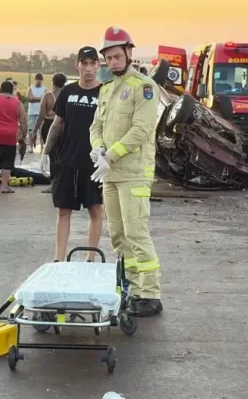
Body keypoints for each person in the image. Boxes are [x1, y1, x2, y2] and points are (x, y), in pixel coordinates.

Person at [89, 26, 162, 317]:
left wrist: (111, 155)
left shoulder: (144, 87)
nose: (113, 62)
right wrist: (97, 148)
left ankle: (151, 294)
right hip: (110, 174)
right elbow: (96, 126)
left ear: (129, 53)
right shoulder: (107, 89)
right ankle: (133, 290)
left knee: (136, 234)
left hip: (133, 173)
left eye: (117, 56)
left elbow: (142, 129)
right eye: (108, 58)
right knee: (118, 236)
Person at [42, 47, 104, 262]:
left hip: (93, 162)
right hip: (67, 160)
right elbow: (57, 124)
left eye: (92, 63)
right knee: (63, 211)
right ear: (77, 65)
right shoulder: (68, 92)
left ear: (98, 65)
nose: (88, 68)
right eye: (84, 63)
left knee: (95, 210)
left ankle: (90, 258)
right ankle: (59, 259)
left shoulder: (105, 93)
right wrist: (45, 152)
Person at [26, 74, 46, 152]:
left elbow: (44, 99)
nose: (39, 81)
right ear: (35, 80)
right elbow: (30, 99)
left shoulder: (44, 89)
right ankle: (31, 148)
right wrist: (40, 98)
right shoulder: (30, 88)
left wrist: (35, 98)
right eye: (37, 79)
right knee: (31, 131)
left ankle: (42, 148)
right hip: (32, 113)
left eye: (40, 80)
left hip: (41, 113)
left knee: (41, 131)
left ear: (42, 80)